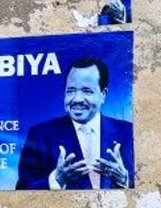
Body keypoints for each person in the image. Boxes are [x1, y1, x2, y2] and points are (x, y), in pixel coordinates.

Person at [16, 57, 134, 190]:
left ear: (103, 94)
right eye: (71, 91)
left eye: (87, 91)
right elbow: (22, 190)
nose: (77, 99)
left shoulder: (129, 132)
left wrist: (124, 180)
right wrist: (56, 180)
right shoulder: (40, 135)